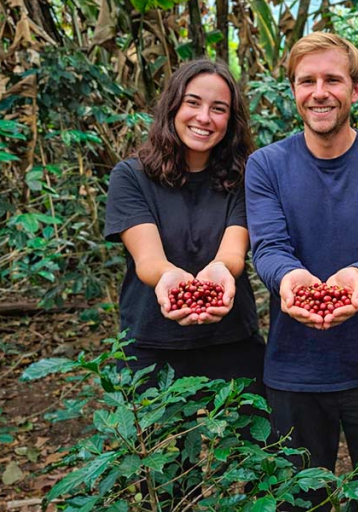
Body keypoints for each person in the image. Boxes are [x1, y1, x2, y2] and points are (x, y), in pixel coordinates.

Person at [245, 32, 358, 510]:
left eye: (332, 80)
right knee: (296, 499)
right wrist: (291, 280)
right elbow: (270, 247)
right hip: (294, 369)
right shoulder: (267, 165)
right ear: (294, 91)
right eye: (306, 81)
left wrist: (356, 278)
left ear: (355, 90)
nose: (319, 92)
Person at [104, 59, 264, 390]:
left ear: (230, 121)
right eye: (193, 103)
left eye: (218, 109)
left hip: (232, 342)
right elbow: (147, 258)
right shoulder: (131, 177)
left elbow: (233, 251)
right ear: (173, 106)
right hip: (151, 343)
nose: (204, 118)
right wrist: (169, 278)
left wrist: (218, 271)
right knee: (150, 443)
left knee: (253, 441)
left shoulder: (247, 177)